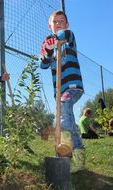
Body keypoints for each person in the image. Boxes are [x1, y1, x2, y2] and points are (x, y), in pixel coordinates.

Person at [39, 10, 85, 173]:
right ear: (49, 25)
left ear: (67, 24)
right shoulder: (47, 44)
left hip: (73, 86)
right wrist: (50, 49)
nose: (58, 23)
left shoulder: (68, 38)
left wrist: (56, 39)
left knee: (64, 116)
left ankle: (73, 152)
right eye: (55, 22)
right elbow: (43, 65)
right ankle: (72, 152)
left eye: (61, 21)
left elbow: (66, 34)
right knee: (62, 118)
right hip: (59, 91)